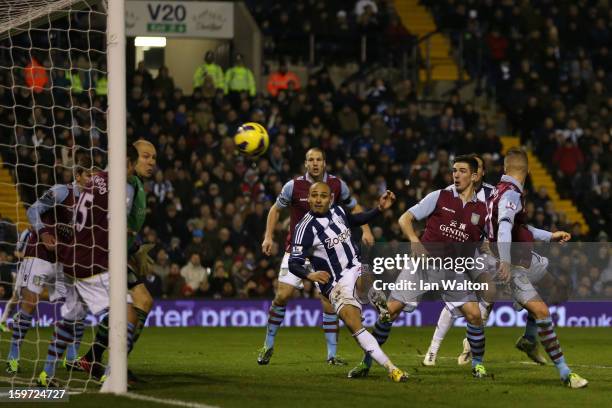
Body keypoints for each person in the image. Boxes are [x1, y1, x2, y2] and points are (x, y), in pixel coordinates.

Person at [349, 155, 489, 379]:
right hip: (422, 265)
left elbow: (480, 241)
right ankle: (366, 362)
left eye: (462, 171)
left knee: (474, 315)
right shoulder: (440, 196)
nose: (456, 175)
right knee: (390, 312)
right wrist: (414, 240)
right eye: (454, 170)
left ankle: (479, 365)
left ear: (474, 176)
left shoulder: (482, 210)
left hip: (453, 269)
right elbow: (405, 219)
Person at [257, 148, 374, 366]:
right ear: (306, 163)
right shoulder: (293, 186)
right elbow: (275, 210)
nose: (315, 163)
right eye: (310, 160)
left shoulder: (337, 185)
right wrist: (268, 237)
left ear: (324, 162)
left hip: (326, 252)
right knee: (282, 295)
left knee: (329, 302)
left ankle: (331, 354)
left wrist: (366, 229)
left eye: (318, 159)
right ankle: (268, 344)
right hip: (297, 250)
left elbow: (354, 207)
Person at [487, 147, 587, 389]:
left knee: (558, 289)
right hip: (512, 264)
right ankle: (565, 373)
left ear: (504, 168)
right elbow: (503, 227)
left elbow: (522, 229)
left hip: (526, 258)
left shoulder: (502, 191)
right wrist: (504, 260)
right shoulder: (510, 194)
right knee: (542, 311)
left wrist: (551, 236)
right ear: (529, 170)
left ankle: (530, 338)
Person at [289, 182, 407, 382]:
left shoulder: (338, 211)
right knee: (355, 326)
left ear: (331, 199)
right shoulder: (304, 228)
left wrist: (378, 209)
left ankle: (380, 304)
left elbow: (355, 219)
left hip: (355, 265)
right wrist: (310, 275)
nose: (318, 199)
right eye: (314, 195)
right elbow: (294, 262)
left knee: (366, 271)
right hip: (334, 284)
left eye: (323, 196)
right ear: (308, 198)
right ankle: (391, 368)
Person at [5, 158, 91, 375]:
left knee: (76, 306)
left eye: (95, 177)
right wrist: (43, 233)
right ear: (78, 175)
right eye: (89, 175)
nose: (92, 180)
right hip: (39, 253)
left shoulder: (92, 203)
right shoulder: (62, 191)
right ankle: (13, 352)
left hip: (64, 259)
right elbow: (32, 210)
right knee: (30, 302)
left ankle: (71, 356)